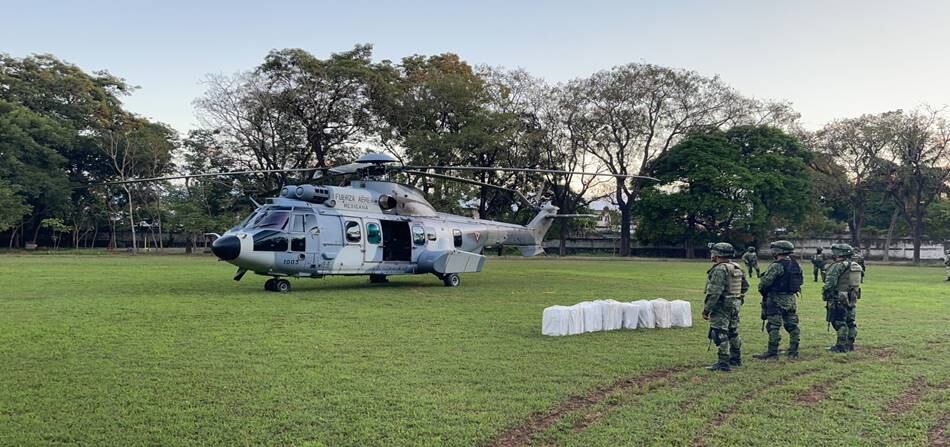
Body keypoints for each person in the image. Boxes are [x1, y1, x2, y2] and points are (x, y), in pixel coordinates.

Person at [702, 242, 749, 371]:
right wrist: (735, 297)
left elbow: (714, 292)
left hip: (722, 305)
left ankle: (723, 362)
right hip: (735, 304)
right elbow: (745, 286)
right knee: (733, 331)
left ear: (717, 254)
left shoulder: (719, 269)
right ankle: (736, 358)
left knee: (719, 332)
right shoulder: (736, 267)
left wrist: (706, 309)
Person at [754, 240, 803, 359]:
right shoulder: (795, 264)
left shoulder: (777, 265)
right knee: (792, 325)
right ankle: (793, 351)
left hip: (776, 299)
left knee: (773, 326)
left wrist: (763, 291)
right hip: (791, 299)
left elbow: (765, 283)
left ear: (777, 251)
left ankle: (772, 352)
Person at [822, 243, 863, 353]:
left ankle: (840, 345)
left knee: (839, 321)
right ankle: (850, 344)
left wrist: (826, 292)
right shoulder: (855, 265)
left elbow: (830, 282)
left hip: (839, 296)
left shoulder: (838, 265)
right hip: (852, 296)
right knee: (850, 321)